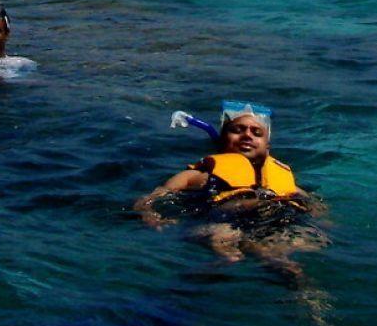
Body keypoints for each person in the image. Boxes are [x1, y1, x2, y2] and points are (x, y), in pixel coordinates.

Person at [135, 101, 328, 272]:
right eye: (237, 130)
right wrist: (150, 214)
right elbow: (155, 196)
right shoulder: (198, 175)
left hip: (274, 221)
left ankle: (299, 289)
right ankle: (211, 273)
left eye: (256, 132)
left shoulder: (285, 179)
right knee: (226, 241)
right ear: (222, 140)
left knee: (292, 253)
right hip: (223, 221)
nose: (247, 135)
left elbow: (312, 205)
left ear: (267, 146)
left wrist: (323, 220)